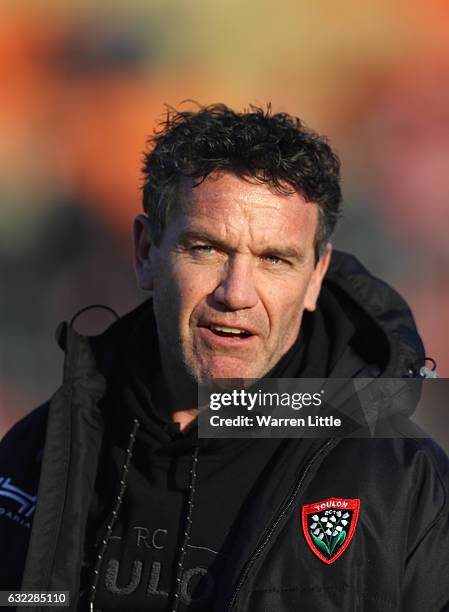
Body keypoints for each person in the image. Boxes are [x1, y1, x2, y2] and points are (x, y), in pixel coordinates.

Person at [1, 103, 448, 611]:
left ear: (315, 277)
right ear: (146, 252)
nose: (236, 294)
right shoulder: (35, 457)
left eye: (274, 260)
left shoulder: (404, 488)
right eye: (207, 248)